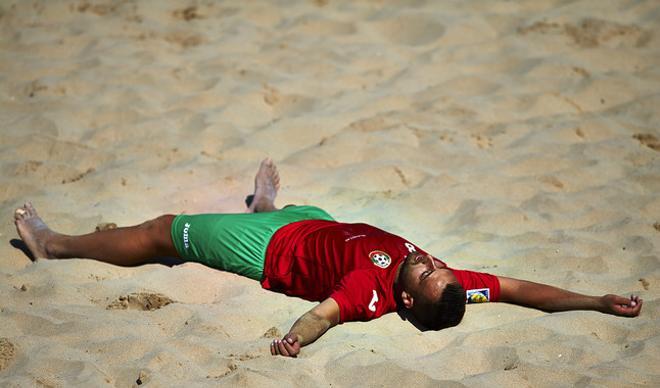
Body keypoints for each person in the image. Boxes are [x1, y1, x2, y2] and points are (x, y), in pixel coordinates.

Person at [13, 159, 643, 358]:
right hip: (315, 225)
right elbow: (519, 289)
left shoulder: (370, 291)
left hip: (264, 250)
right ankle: (264, 205)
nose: (427, 262)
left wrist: (293, 340)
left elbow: (324, 315)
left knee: (160, 233)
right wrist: (595, 301)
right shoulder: (451, 289)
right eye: (436, 265)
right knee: (298, 209)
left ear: (402, 301)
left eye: (423, 273)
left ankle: (55, 244)